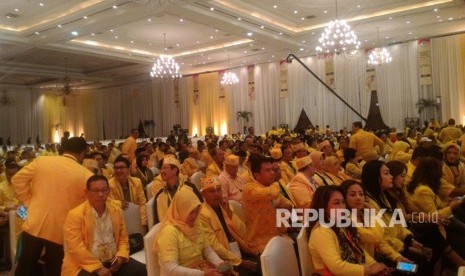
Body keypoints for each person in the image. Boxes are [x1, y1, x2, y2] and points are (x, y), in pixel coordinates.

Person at [12, 137, 94, 276]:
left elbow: (17, 180)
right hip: (62, 231)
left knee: (26, 267)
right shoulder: (86, 174)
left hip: (34, 223)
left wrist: (28, 203)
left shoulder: (42, 161)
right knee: (55, 269)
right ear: (82, 153)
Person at [62, 175, 147, 276]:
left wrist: (120, 257)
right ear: (87, 193)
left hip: (113, 260)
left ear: (109, 191)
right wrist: (98, 268)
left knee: (141, 270)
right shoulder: (75, 215)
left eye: (104, 190)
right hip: (85, 264)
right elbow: (75, 248)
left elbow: (123, 238)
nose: (101, 194)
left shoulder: (116, 210)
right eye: (96, 191)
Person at [308, 185, 388, 276]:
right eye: (336, 203)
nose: (342, 207)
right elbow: (337, 267)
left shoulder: (342, 225)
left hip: (359, 270)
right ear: (323, 207)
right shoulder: (321, 231)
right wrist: (369, 270)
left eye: (343, 202)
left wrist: (374, 265)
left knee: (401, 268)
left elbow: (360, 251)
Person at [154, 188, 228, 276]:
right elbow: (171, 269)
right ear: (181, 210)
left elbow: (207, 250)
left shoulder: (196, 224)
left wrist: (220, 264)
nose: (194, 216)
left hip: (201, 270)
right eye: (191, 212)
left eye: (197, 212)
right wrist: (203, 274)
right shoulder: (169, 232)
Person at [198, 178, 258, 275]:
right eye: (212, 191)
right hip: (223, 260)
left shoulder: (224, 206)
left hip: (238, 250)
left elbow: (242, 231)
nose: (217, 194)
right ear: (203, 194)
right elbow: (215, 246)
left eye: (218, 190)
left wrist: (228, 213)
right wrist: (240, 262)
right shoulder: (202, 214)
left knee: (262, 263)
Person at [242, 156, 293, 254]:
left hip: (279, 236)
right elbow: (270, 193)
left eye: (273, 170)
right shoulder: (249, 189)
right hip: (260, 244)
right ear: (257, 175)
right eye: (268, 170)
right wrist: (276, 182)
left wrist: (286, 207)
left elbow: (288, 204)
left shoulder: (270, 187)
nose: (273, 173)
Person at [153, 156, 202, 224]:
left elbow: (201, 208)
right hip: (170, 230)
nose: (161, 171)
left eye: (164, 168)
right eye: (161, 169)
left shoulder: (189, 187)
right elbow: (157, 223)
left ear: (174, 170)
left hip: (191, 226)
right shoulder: (159, 196)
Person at [108, 156, 147, 228]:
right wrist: (119, 203)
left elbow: (142, 203)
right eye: (116, 168)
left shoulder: (136, 182)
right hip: (118, 220)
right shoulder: (109, 185)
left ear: (128, 169)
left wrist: (142, 223)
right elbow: (109, 204)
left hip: (135, 217)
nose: (118, 170)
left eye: (122, 168)